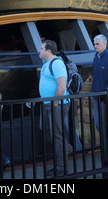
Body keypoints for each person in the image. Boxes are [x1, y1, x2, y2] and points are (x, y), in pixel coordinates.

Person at [39, 39, 70, 177]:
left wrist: (55, 103)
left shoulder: (57, 63)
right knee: (46, 129)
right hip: (48, 104)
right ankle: (67, 147)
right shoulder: (47, 64)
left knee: (56, 135)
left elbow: (62, 85)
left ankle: (61, 167)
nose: (39, 51)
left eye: (41, 48)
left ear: (48, 51)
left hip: (56, 104)